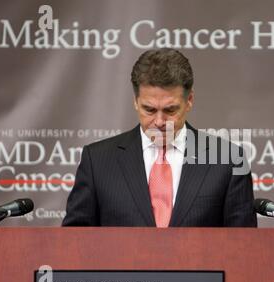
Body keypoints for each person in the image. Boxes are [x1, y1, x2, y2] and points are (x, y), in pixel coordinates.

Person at [62, 48, 257, 227]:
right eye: (150, 109)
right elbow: (75, 244)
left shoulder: (228, 160)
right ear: (136, 102)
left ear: (189, 101)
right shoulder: (97, 161)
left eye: (170, 110)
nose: (160, 121)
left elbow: (242, 249)